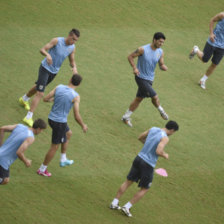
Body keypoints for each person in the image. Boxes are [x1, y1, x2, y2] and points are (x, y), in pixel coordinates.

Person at [110, 120, 179, 217]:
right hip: (148, 164)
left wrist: (148, 146)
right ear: (172, 130)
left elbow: (140, 137)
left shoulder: (153, 128)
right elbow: (159, 151)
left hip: (138, 158)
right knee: (145, 188)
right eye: (174, 132)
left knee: (128, 181)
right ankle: (127, 207)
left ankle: (114, 202)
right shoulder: (165, 138)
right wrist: (165, 155)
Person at [19, 29, 80, 127]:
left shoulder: (72, 47)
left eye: (76, 40)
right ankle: (28, 117)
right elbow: (42, 49)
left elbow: (72, 60)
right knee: (40, 93)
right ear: (69, 35)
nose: (73, 41)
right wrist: (47, 55)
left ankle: (24, 98)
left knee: (38, 86)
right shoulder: (57, 41)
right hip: (45, 68)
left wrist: (75, 69)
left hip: (54, 72)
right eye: (73, 39)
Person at [37, 74, 88, 177]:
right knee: (54, 147)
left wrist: (53, 100)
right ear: (79, 84)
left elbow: (45, 99)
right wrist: (83, 125)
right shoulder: (75, 96)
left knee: (68, 133)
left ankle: (63, 158)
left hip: (51, 118)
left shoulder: (59, 87)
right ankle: (42, 169)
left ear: (70, 79)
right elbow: (76, 115)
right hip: (59, 122)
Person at [122, 32, 169, 127]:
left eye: (163, 42)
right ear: (154, 40)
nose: (161, 44)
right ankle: (161, 111)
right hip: (140, 77)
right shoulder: (142, 49)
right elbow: (130, 57)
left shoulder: (160, 52)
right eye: (160, 42)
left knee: (139, 99)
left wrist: (163, 66)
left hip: (150, 79)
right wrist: (134, 68)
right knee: (154, 96)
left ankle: (126, 117)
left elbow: (161, 63)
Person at [0, 119, 47, 185]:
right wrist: (26, 161)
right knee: (5, 180)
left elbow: (2, 129)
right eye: (42, 130)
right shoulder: (30, 137)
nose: (41, 132)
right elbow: (19, 152)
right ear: (38, 129)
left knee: (6, 179)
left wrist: (1, 147)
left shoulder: (20, 126)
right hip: (3, 161)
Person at [189, 12, 224, 89]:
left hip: (222, 47)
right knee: (204, 60)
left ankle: (203, 80)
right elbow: (212, 20)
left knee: (215, 64)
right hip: (213, 41)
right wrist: (211, 33)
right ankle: (196, 49)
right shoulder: (222, 15)